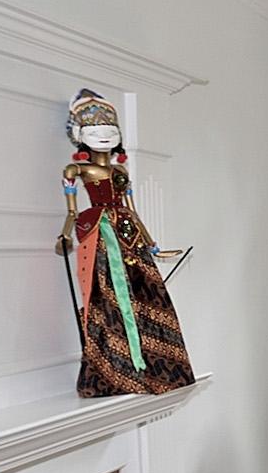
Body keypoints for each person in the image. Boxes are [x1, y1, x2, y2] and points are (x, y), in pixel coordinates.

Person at [56, 88, 194, 397]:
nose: (103, 135)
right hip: (101, 233)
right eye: (94, 129)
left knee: (146, 293)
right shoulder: (76, 169)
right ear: (79, 134)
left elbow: (132, 210)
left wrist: (153, 244)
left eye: (109, 129)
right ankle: (114, 367)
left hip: (128, 232)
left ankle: (155, 362)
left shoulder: (120, 170)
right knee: (108, 295)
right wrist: (66, 234)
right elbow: (72, 210)